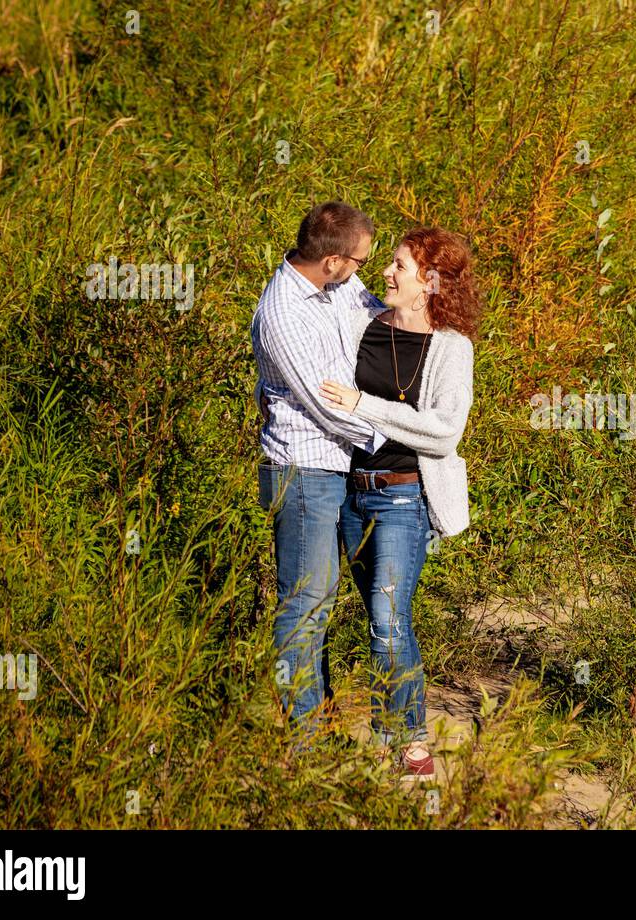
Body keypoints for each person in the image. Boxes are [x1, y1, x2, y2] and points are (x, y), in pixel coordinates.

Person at [318, 226, 479, 779]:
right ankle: (391, 733)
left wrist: (365, 405)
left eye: (400, 267)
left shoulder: (452, 349)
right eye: (389, 262)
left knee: (387, 619)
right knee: (385, 621)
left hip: (403, 499)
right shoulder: (365, 327)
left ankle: (408, 744)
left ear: (430, 283)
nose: (386, 272)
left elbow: (442, 432)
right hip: (350, 495)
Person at [250, 201, 387, 751]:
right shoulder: (283, 311)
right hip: (304, 469)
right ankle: (305, 739)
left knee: (326, 598)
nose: (363, 272)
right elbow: (325, 406)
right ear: (331, 260)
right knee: (305, 604)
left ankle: (321, 724)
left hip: (339, 467)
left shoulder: (339, 288)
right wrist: (397, 439)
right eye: (358, 262)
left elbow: (376, 314)